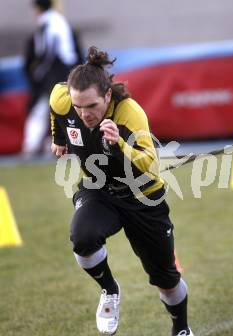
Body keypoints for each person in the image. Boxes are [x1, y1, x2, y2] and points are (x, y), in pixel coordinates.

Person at [49, 46, 194, 335]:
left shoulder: (129, 114)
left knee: (166, 279)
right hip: (98, 189)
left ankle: (181, 327)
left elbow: (149, 165)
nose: (84, 113)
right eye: (79, 106)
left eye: (91, 106)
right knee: (83, 238)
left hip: (142, 196)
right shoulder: (63, 99)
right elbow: (57, 108)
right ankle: (109, 290)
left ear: (107, 96)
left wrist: (119, 146)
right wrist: (58, 138)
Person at [23, 0, 82, 156]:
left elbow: (47, 50)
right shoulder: (61, 21)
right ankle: (58, 145)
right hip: (69, 70)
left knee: (45, 109)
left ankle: (33, 146)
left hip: (56, 72)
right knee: (64, 109)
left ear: (37, 8)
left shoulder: (47, 24)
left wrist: (39, 72)